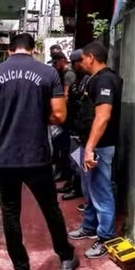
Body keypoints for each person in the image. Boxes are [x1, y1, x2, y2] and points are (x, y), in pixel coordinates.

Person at [0, 33, 78, 270]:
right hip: (36, 156)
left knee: (10, 213)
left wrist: (2, 119)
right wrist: (37, 118)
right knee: (50, 209)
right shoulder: (48, 73)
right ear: (32, 50)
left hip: (4, 157)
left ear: (10, 50)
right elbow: (59, 115)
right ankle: (66, 257)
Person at [74, 42, 123, 259]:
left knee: (101, 191)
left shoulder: (105, 80)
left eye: (83, 58)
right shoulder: (93, 79)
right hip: (90, 144)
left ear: (91, 57)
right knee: (90, 189)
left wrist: (90, 148)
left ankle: (105, 238)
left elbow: (103, 117)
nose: (81, 62)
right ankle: (89, 226)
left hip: (99, 147)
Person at [62, 49, 90, 203]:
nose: (74, 66)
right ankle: (74, 185)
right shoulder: (79, 79)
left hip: (81, 128)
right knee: (74, 158)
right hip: (74, 125)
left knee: (78, 161)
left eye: (75, 62)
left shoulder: (87, 79)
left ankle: (78, 189)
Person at [48, 52, 75, 185]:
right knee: (59, 146)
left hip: (67, 117)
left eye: (56, 62)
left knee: (65, 147)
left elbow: (66, 95)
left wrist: (58, 111)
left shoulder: (68, 74)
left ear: (62, 60)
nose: (54, 65)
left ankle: (66, 174)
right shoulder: (62, 73)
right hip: (65, 116)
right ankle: (63, 172)